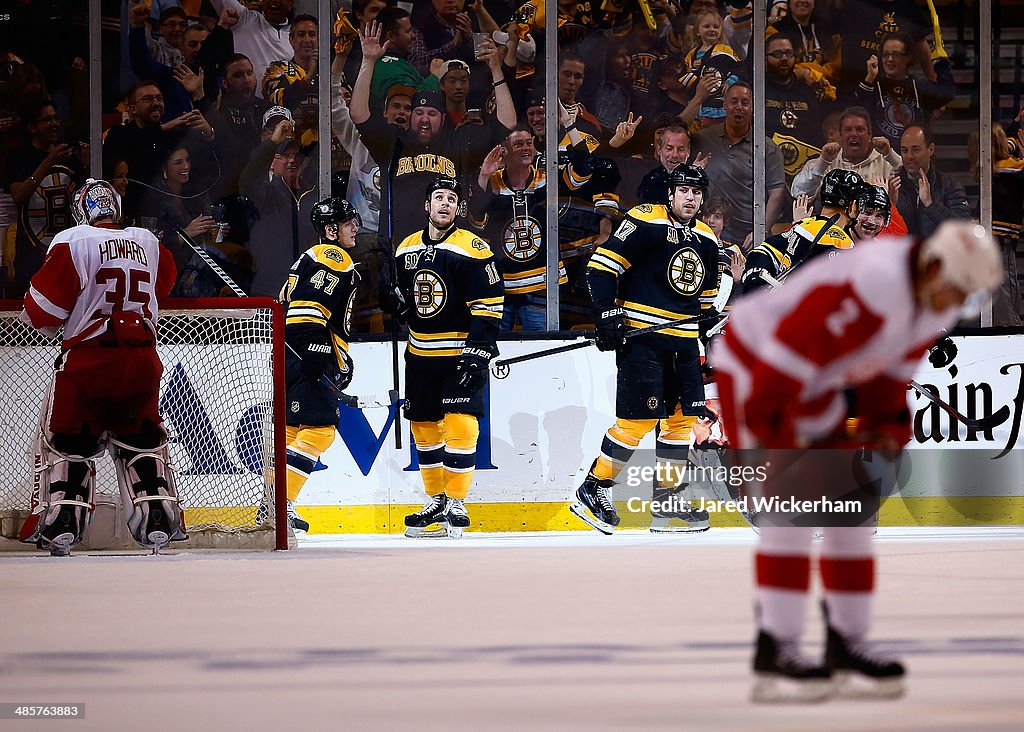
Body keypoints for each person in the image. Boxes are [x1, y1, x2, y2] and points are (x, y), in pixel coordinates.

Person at [712, 220, 1003, 702]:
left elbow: (888, 371)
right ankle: (777, 647)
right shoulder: (877, 280)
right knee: (788, 515)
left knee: (853, 511)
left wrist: (887, 423)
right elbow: (787, 358)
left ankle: (848, 641)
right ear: (932, 268)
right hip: (756, 363)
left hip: (815, 372)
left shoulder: (934, 297)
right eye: (956, 290)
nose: (956, 304)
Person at [19, 179, 181, 555]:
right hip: (142, 360)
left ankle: (63, 521)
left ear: (81, 211)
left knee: (66, 444)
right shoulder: (148, 241)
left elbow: (41, 313)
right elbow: (165, 286)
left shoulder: (72, 241)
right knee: (140, 441)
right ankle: (157, 513)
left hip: (88, 360)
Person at [572, 164, 730, 535]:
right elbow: (601, 266)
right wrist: (608, 313)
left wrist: (707, 321)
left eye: (696, 191)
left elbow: (704, 300)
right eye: (683, 190)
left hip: (684, 344)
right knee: (638, 421)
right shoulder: (645, 220)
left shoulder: (707, 238)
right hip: (643, 339)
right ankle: (592, 488)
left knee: (680, 421)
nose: (690, 197)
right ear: (670, 194)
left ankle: (667, 501)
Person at [391, 177, 504, 539]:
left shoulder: (473, 248)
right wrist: (392, 300)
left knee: (461, 425)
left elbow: (489, 305)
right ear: (427, 206)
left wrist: (477, 353)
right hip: (418, 355)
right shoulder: (404, 248)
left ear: (458, 208)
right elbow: (399, 294)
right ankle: (436, 499)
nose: (444, 204)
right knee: (423, 428)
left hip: (458, 356)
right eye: (438, 197)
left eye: (452, 199)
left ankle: (457, 500)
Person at [279, 196, 362, 535]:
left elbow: (285, 299)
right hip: (307, 353)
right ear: (330, 230)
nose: (355, 227)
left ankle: (273, 504)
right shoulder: (333, 255)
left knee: (293, 432)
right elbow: (308, 309)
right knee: (320, 429)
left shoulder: (307, 259)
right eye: (347, 223)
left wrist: (339, 356)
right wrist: (317, 347)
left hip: (291, 354)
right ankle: (280, 506)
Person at [470, 116, 590, 332]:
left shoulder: (547, 179)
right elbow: (475, 221)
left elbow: (583, 168)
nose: (526, 148)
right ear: (504, 151)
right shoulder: (494, 182)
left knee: (539, 352)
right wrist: (484, 174)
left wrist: (570, 126)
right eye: (518, 144)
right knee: (499, 353)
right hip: (502, 287)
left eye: (529, 143)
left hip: (541, 287)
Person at [743, 168, 863, 293]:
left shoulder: (803, 225)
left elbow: (762, 251)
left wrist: (755, 286)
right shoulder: (838, 239)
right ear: (852, 205)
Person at [790, 106, 901, 202]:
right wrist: (822, 163)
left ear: (870, 134)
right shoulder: (827, 162)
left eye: (860, 129)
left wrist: (889, 154)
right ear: (841, 136)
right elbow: (799, 193)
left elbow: (911, 180)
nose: (854, 134)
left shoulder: (886, 161)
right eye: (848, 130)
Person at [892, 124, 971, 239]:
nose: (909, 156)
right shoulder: (893, 186)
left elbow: (964, 227)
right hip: (902, 254)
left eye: (915, 150)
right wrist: (890, 207)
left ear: (931, 149)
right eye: (904, 150)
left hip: (939, 254)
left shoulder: (949, 185)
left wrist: (931, 205)